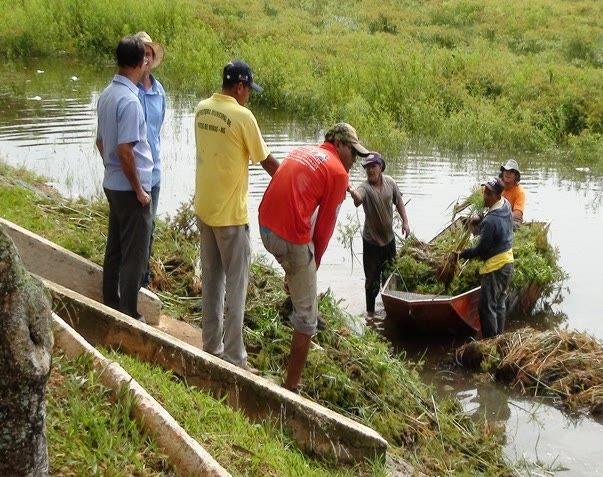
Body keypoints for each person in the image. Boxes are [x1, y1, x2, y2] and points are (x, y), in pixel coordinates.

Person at [259, 123, 369, 392]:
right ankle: (291, 388)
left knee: (310, 215)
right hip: (288, 237)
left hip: (265, 226)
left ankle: (293, 276)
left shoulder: (302, 150)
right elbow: (325, 229)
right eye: (353, 152)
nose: (354, 160)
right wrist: (313, 263)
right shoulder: (338, 172)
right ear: (340, 144)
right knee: (308, 319)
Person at [194, 60, 279, 369]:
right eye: (248, 91)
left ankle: (210, 346)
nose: (249, 97)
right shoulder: (243, 117)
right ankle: (234, 357)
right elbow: (268, 163)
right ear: (240, 87)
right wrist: (294, 185)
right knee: (237, 288)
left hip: (204, 209)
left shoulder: (203, 108)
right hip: (230, 216)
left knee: (212, 281)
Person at [96, 36, 153, 322]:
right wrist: (139, 190)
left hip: (112, 184)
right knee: (135, 254)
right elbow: (125, 150)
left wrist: (111, 171)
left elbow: (100, 142)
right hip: (130, 190)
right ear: (140, 62)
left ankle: (109, 300)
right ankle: (129, 314)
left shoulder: (107, 94)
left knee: (115, 247)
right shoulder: (130, 101)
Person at [347, 152, 410, 314]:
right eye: (367, 168)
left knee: (391, 279)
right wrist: (352, 190)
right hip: (371, 244)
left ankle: (391, 312)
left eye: (373, 166)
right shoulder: (364, 187)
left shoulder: (390, 182)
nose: (370, 170)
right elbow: (358, 199)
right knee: (372, 282)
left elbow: (399, 201)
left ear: (380, 167)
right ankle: (370, 315)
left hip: (389, 241)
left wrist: (405, 221)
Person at [460, 178, 514, 338]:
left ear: (497, 196)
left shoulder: (491, 221)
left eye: (489, 194)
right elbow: (493, 219)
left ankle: (490, 343)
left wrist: (462, 254)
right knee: (499, 304)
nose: (484, 196)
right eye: (484, 191)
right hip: (508, 263)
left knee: (486, 307)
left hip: (495, 268)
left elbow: (480, 250)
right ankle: (499, 339)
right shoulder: (505, 205)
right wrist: (481, 218)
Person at [135, 31, 167, 286]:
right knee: (131, 230)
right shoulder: (128, 91)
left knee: (149, 229)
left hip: (154, 173)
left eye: (149, 53)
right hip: (133, 173)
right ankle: (129, 281)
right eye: (142, 52)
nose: (146, 58)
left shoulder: (159, 93)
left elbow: (156, 133)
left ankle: (142, 281)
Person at [499, 159, 525, 228]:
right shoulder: (496, 185)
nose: (508, 173)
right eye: (506, 170)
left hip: (511, 220)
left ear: (516, 176)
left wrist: (499, 218)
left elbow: (517, 214)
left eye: (512, 172)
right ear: (503, 172)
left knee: (513, 225)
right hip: (495, 217)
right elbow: (479, 194)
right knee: (476, 219)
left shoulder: (520, 191)